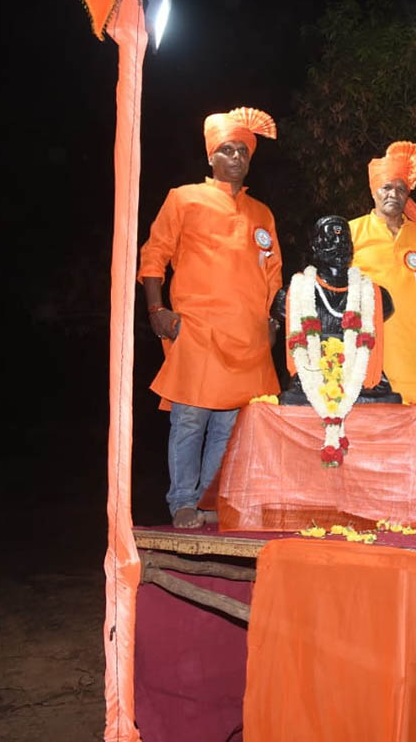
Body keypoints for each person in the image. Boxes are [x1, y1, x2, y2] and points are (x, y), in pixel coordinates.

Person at [138, 107, 282, 529]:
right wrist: (155, 308)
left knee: (229, 426)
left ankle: (208, 500)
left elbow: (272, 272)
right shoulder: (183, 198)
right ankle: (182, 500)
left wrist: (271, 323)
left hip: (248, 336)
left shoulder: (262, 213)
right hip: (198, 329)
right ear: (210, 157)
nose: (236, 158)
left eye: (243, 151)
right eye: (227, 150)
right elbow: (155, 254)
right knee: (189, 420)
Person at [349, 141, 416, 418]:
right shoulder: (352, 232)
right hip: (368, 350)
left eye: (401, 189)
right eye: (387, 187)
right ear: (373, 190)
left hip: (414, 348)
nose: (394, 194)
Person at [275, 216, 398, 407]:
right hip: (311, 374)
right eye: (330, 238)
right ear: (315, 247)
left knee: (384, 398)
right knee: (296, 397)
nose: (339, 244)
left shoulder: (375, 295)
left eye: (344, 239)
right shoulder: (292, 294)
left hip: (362, 378)